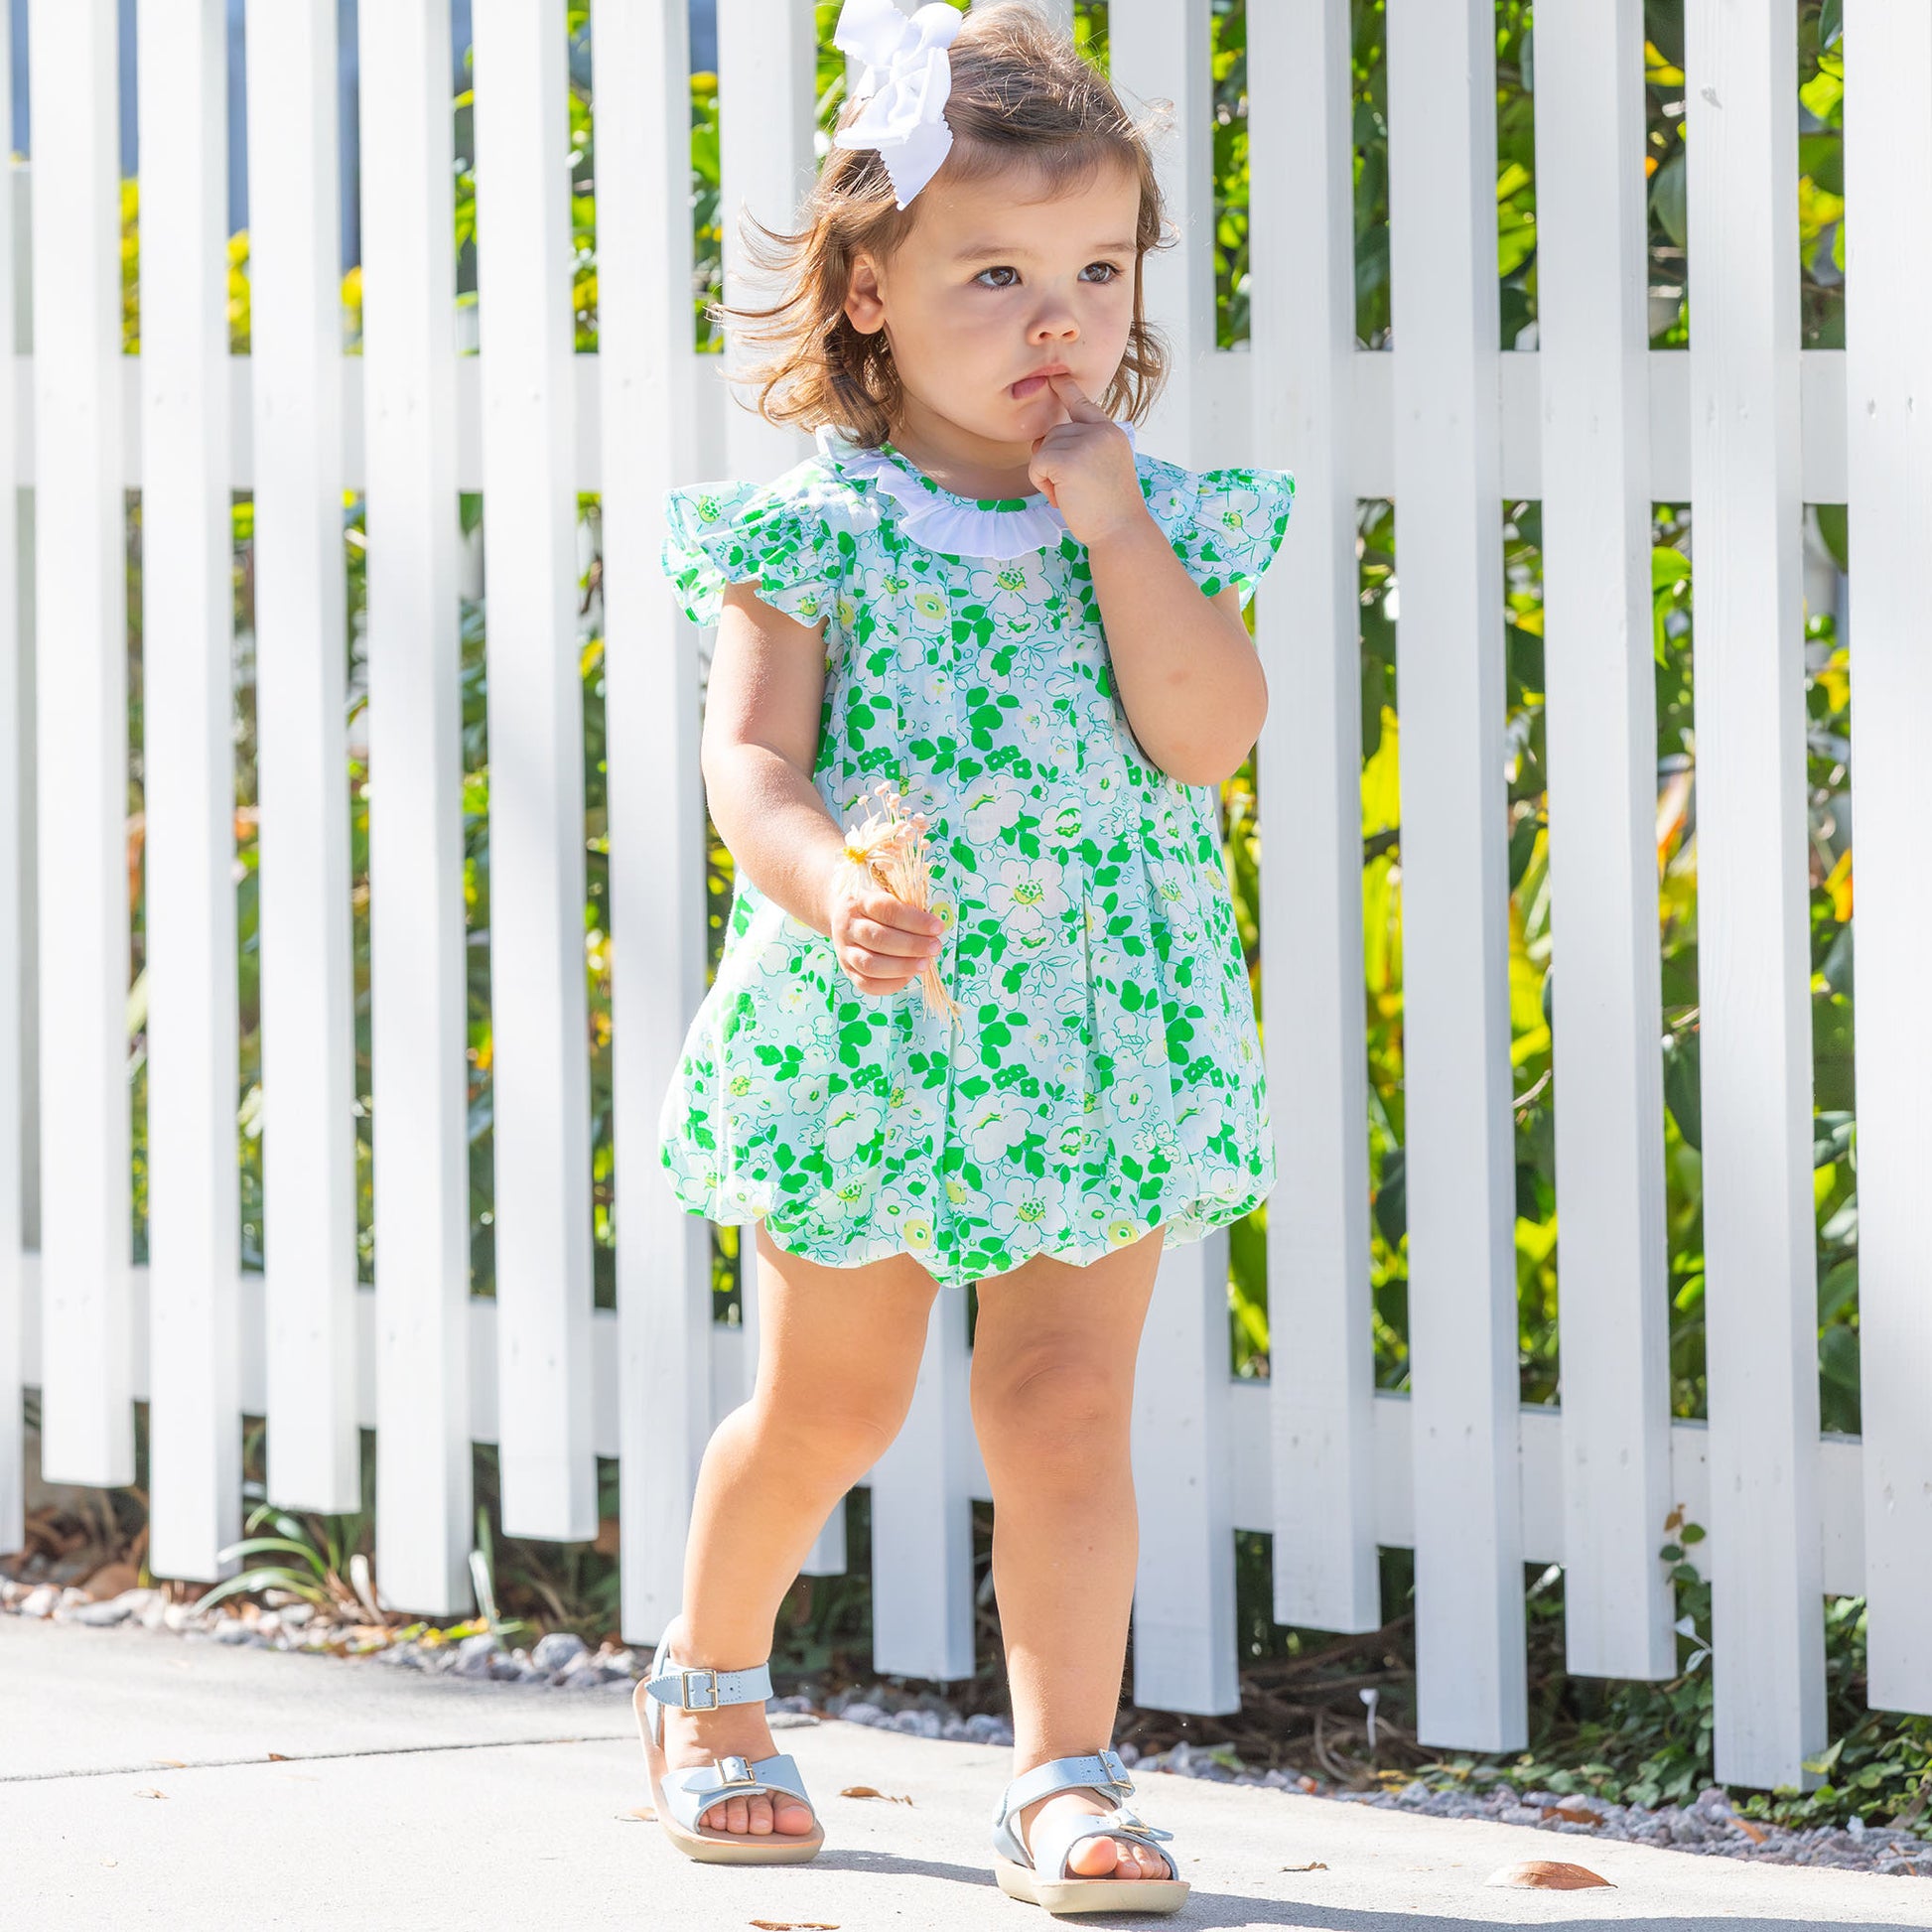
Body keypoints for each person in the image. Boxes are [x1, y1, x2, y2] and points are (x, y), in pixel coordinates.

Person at [635, 0, 1293, 1913]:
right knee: (832, 1405)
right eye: (995, 274)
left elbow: (1205, 736)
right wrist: (825, 879)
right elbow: (750, 763)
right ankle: (709, 1680)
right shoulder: (814, 532)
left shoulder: (1156, 518)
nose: (1054, 321)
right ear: (868, 294)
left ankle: (1064, 1771)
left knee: (1063, 1405)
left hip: (1100, 1023)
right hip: (873, 1017)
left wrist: (1117, 535)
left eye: (1095, 271)